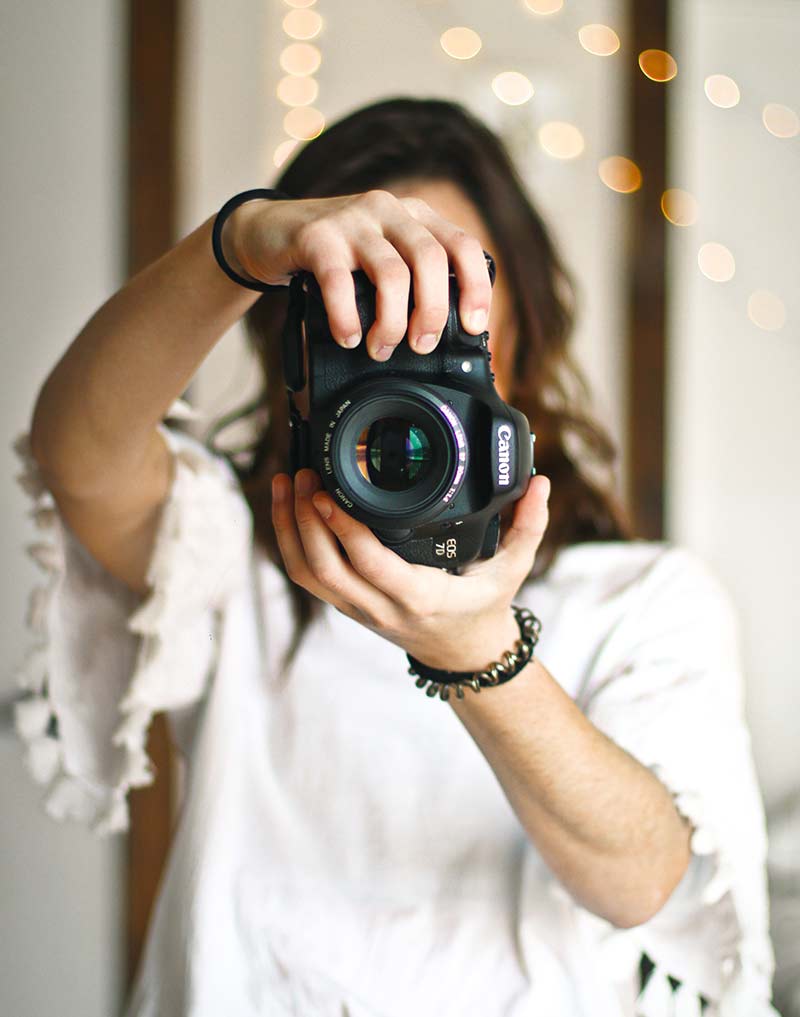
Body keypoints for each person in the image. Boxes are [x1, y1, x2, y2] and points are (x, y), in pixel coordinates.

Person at [12, 97, 778, 1016]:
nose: (406, 335)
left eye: (451, 294)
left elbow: (649, 882)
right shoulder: (245, 560)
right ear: (292, 345)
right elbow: (77, 455)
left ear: (521, 326)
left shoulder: (643, 595)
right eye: (363, 297)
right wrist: (240, 243)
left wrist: (477, 650)